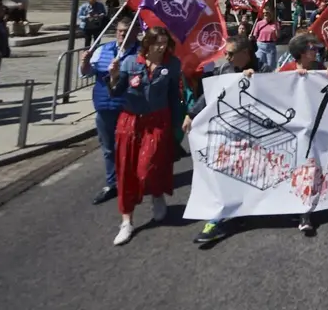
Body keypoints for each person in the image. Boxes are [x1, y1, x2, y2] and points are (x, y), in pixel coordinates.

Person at [107, 25, 184, 246]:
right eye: (157, 43)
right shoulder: (130, 63)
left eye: (164, 43)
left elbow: (174, 97)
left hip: (158, 121)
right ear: (147, 44)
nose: (161, 47)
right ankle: (126, 221)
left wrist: (181, 121)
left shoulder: (172, 64)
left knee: (148, 166)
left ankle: (156, 194)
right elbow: (117, 91)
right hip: (130, 122)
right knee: (126, 172)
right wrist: (113, 77)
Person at [184, 36, 261, 243]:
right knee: (224, 174)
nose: (225, 57)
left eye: (230, 53)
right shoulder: (224, 70)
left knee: (248, 175)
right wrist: (191, 114)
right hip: (228, 132)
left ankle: (243, 211)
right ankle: (215, 221)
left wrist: (257, 79)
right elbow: (210, 95)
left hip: (256, 134)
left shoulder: (263, 68)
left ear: (245, 53)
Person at [80, 18, 140, 205]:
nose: (122, 34)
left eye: (127, 31)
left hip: (129, 107)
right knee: (108, 148)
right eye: (120, 31)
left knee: (130, 147)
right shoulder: (102, 50)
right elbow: (87, 73)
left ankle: (133, 180)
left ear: (135, 32)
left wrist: (117, 75)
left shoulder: (141, 53)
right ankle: (112, 183)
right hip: (104, 106)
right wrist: (85, 62)